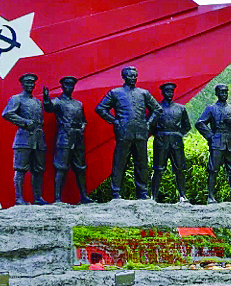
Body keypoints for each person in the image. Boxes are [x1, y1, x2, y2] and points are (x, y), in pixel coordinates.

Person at [95, 65, 161, 199]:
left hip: (140, 133)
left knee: (141, 164)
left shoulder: (143, 93)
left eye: (135, 75)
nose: (134, 78)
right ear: (124, 77)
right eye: (131, 76)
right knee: (119, 163)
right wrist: (114, 121)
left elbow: (157, 109)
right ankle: (115, 193)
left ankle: (142, 193)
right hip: (123, 133)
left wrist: (148, 123)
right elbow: (100, 108)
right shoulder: (115, 93)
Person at [196, 84, 231, 204]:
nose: (224, 94)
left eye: (226, 92)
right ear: (217, 93)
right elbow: (200, 123)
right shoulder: (211, 109)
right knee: (213, 169)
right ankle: (210, 196)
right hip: (217, 142)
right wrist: (210, 136)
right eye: (221, 92)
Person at [43, 75, 93, 204]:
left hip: (78, 138)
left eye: (71, 85)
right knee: (61, 167)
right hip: (64, 137)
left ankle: (84, 196)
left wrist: (82, 127)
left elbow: (84, 120)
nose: (69, 87)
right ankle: (57, 198)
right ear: (62, 86)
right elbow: (49, 108)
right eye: (67, 84)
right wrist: (46, 99)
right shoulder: (58, 101)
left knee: (81, 167)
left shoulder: (78, 104)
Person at [2, 72, 48, 206]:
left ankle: (38, 197)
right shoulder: (16, 99)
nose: (30, 85)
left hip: (38, 139)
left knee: (39, 169)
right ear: (22, 84)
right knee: (20, 169)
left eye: (32, 83)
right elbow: (7, 113)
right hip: (24, 138)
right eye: (27, 82)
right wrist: (24, 122)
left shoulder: (38, 102)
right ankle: (18, 198)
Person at [148, 82, 193, 203]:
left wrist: (178, 135)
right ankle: (153, 196)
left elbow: (187, 126)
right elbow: (149, 125)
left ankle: (183, 195)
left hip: (176, 142)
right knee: (158, 169)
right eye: (167, 91)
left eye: (171, 91)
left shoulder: (181, 108)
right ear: (162, 93)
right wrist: (158, 134)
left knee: (179, 169)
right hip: (161, 141)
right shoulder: (156, 108)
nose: (170, 94)